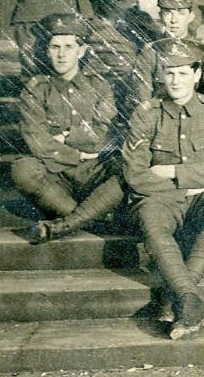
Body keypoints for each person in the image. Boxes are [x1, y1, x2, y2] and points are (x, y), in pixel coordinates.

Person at [122, 38, 204, 340]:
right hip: (161, 200)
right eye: (169, 73)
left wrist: (171, 170)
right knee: (150, 220)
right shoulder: (146, 112)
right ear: (160, 74)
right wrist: (193, 179)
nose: (175, 80)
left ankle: (176, 296)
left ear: (197, 75)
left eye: (183, 73)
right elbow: (135, 175)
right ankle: (189, 300)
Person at [11, 13, 123, 244]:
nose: (61, 54)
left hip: (95, 171)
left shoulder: (99, 86)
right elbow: (37, 141)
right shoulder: (36, 89)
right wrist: (80, 152)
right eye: (55, 47)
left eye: (69, 47)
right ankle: (96, 219)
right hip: (56, 175)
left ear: (81, 51)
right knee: (22, 170)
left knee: (129, 169)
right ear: (46, 50)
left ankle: (67, 223)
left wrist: (65, 136)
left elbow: (103, 134)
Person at [130, 0, 204, 108]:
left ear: (191, 17)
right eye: (168, 13)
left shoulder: (203, 49)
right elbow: (143, 96)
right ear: (160, 15)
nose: (174, 20)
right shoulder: (150, 51)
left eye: (180, 13)